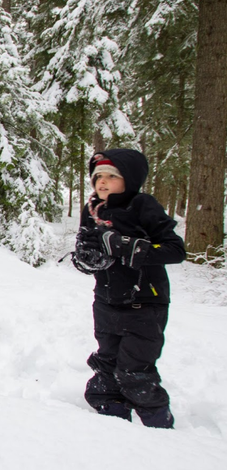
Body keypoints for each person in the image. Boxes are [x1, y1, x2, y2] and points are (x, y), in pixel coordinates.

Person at [74, 149, 185, 428]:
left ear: (130, 179)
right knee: (106, 369)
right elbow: (88, 253)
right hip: (106, 303)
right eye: (98, 175)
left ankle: (161, 429)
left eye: (112, 176)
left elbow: (175, 250)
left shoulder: (142, 205)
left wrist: (128, 247)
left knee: (134, 373)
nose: (102, 181)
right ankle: (112, 426)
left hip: (144, 305)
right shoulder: (93, 209)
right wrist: (87, 259)